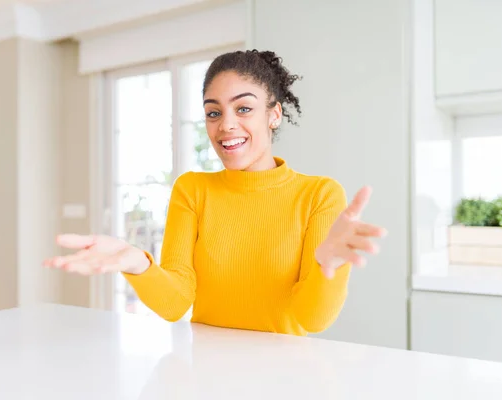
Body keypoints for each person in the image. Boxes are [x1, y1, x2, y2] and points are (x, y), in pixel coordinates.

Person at [44, 49, 387, 336]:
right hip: (206, 371)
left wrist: (328, 265)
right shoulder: (193, 190)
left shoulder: (319, 195)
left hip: (286, 376)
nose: (226, 125)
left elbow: (311, 319)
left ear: (274, 114)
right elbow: (175, 303)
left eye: (243, 108)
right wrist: (138, 264)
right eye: (213, 112)